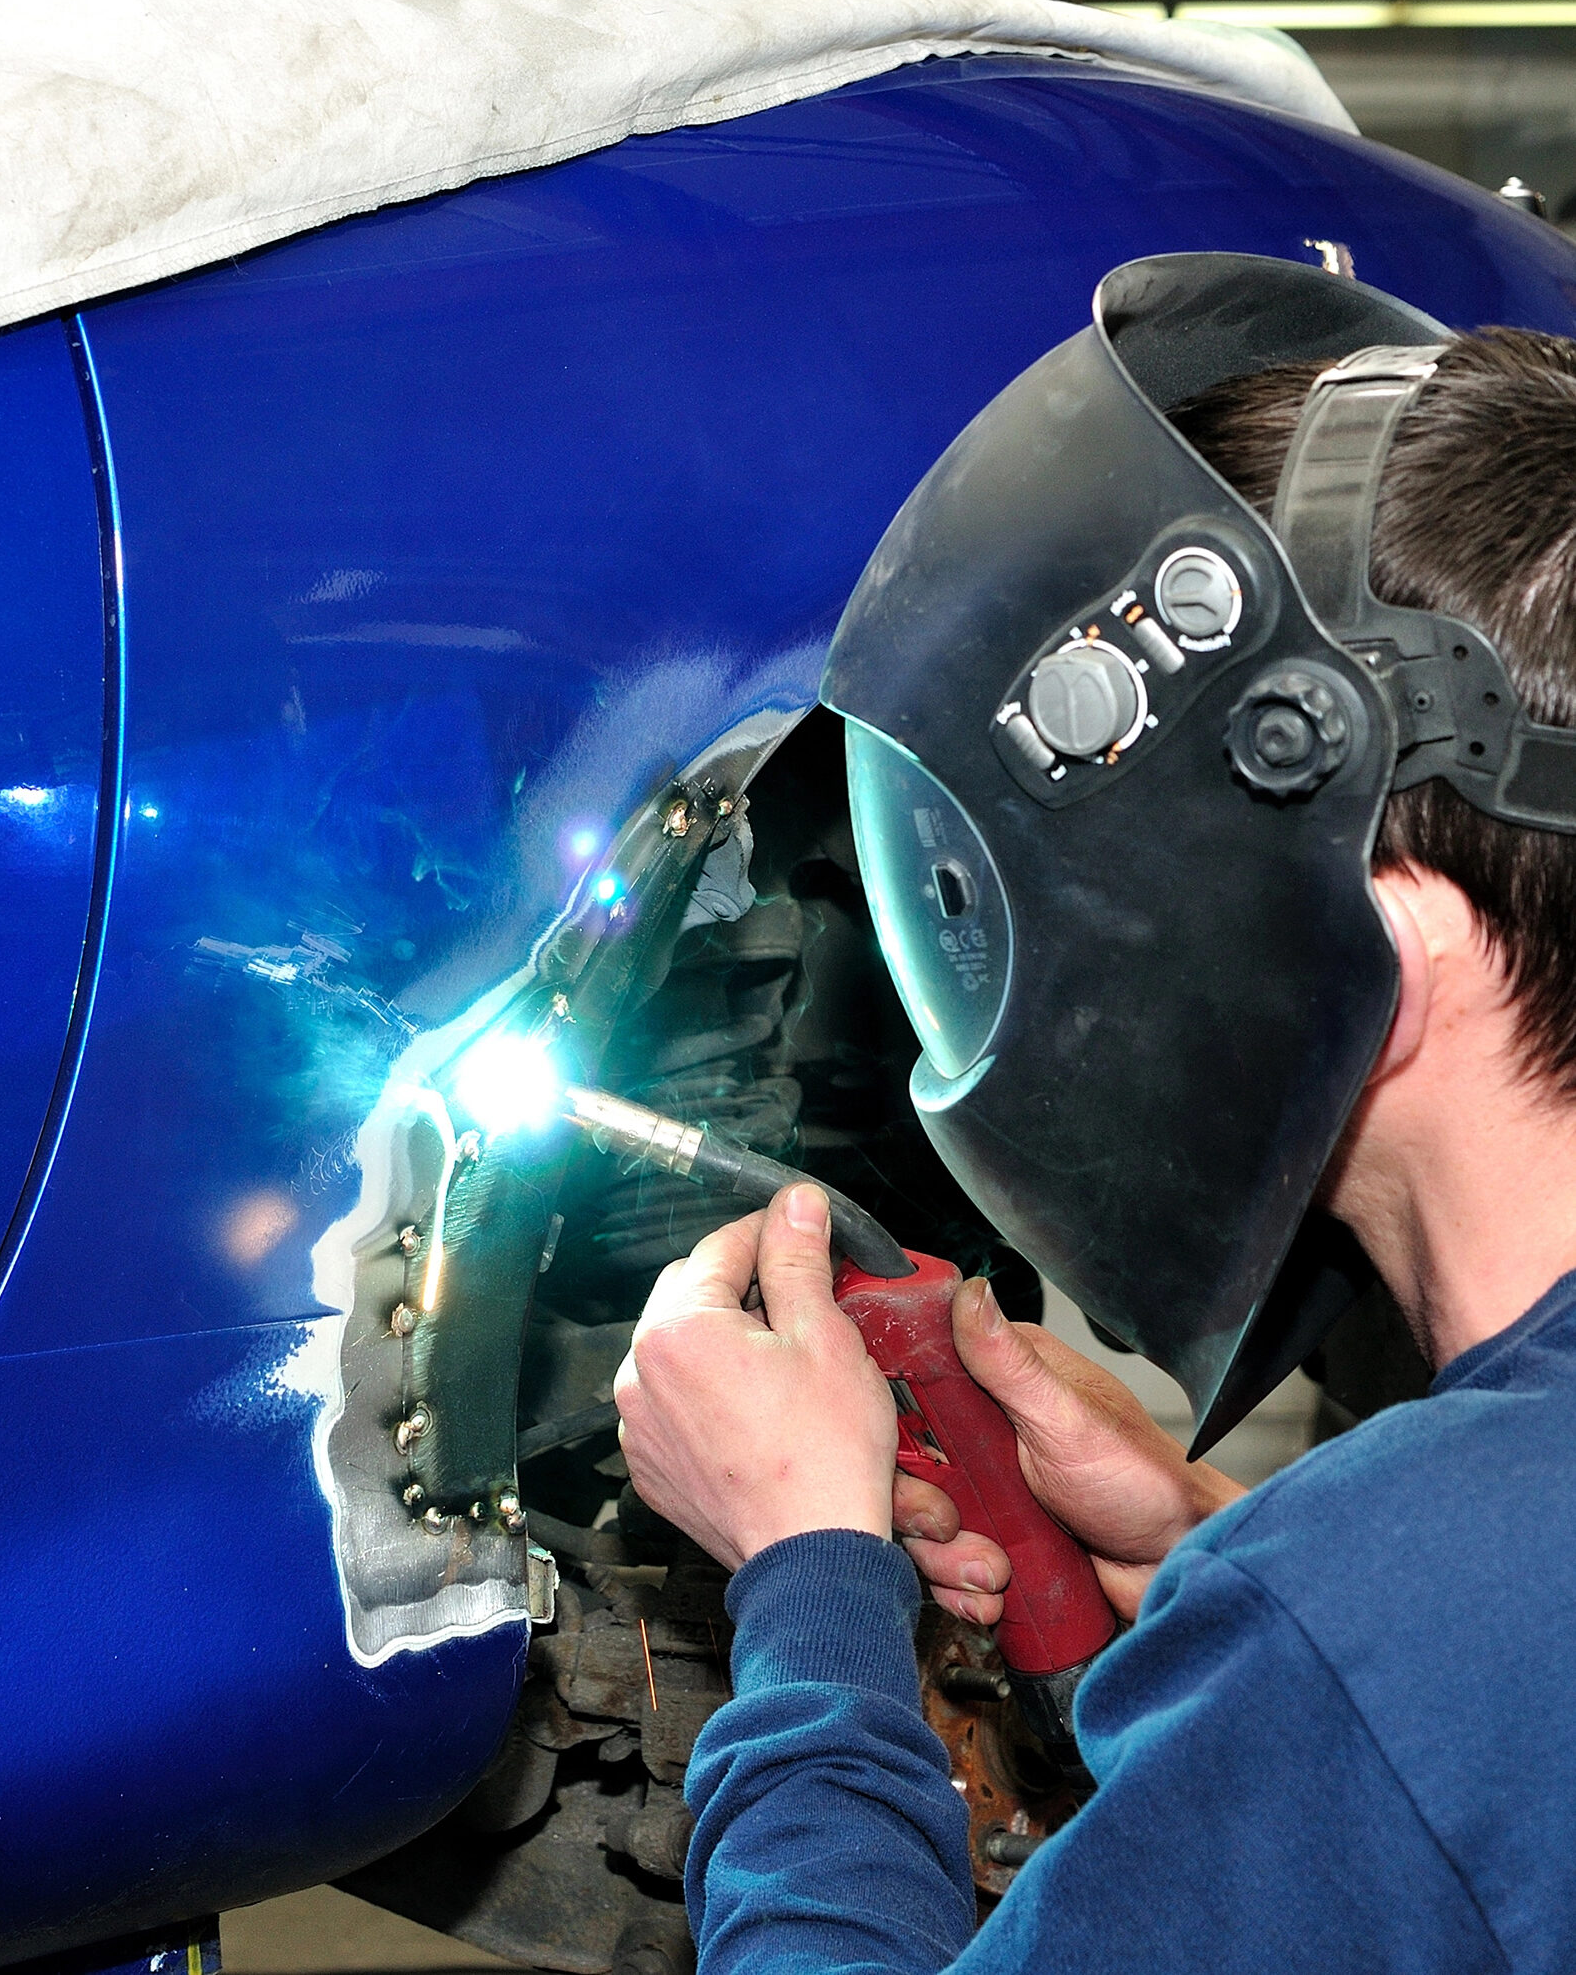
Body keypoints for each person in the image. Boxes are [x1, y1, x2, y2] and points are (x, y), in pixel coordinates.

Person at [613, 268, 1576, 1972]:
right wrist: (1222, 1575)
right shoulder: (1451, 1602)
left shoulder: (1419, 1611)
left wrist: (810, 1585)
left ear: (1380, 947)